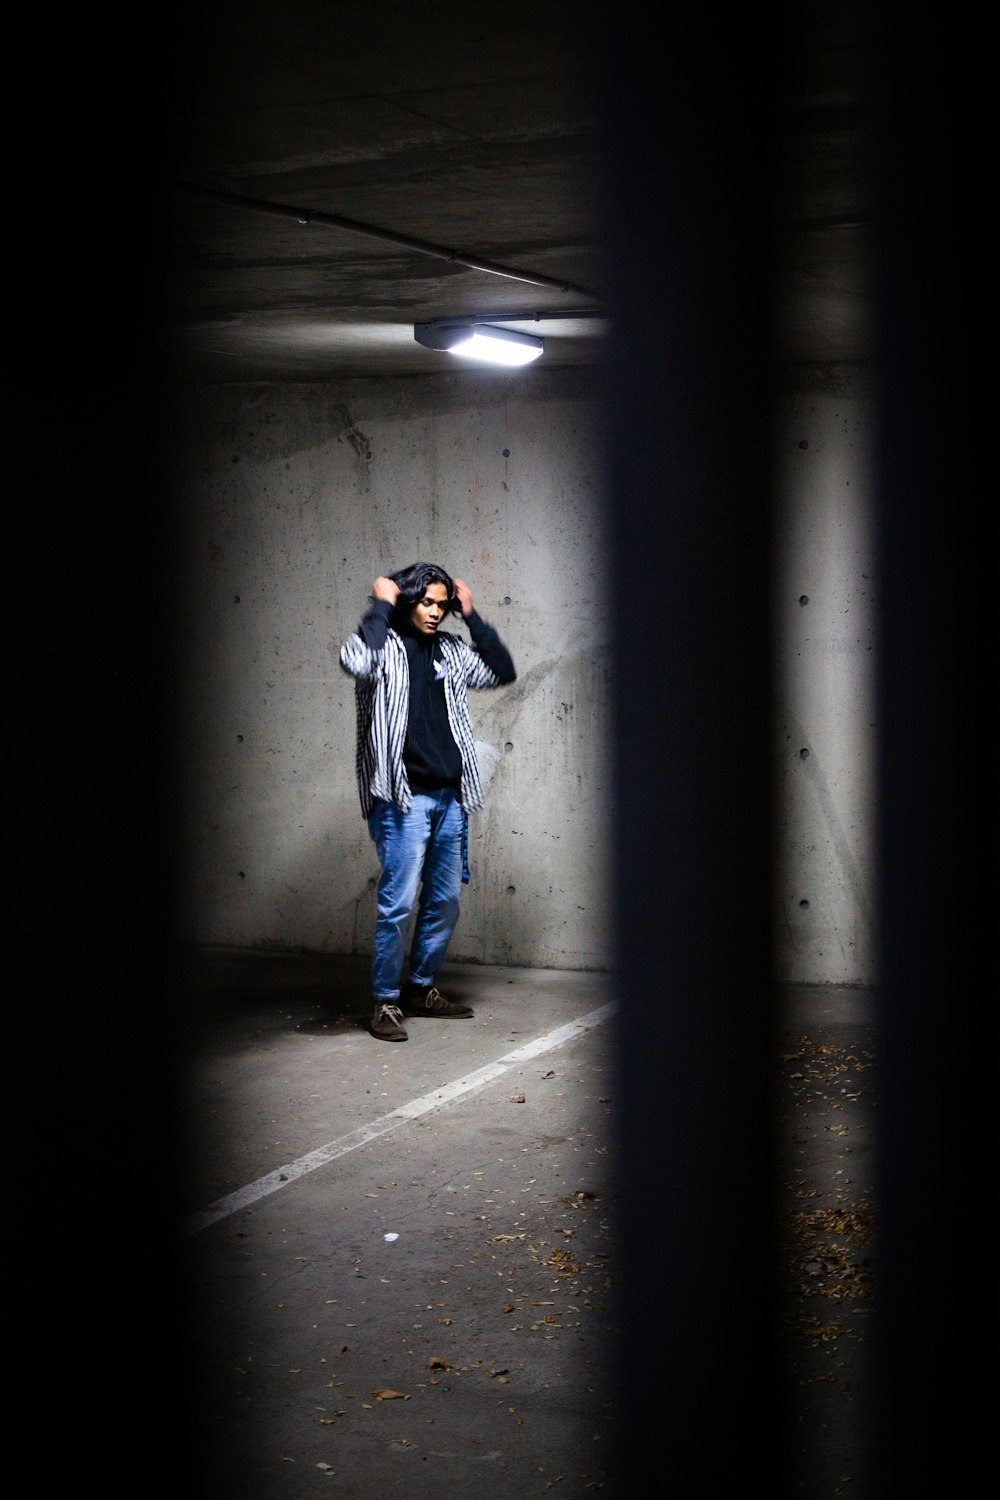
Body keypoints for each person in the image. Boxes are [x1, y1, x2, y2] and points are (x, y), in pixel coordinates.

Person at [340, 562, 516, 1041]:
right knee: (398, 906)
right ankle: (385, 1002)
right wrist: (381, 604)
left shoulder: (452, 651)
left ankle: (419, 988)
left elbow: (502, 670)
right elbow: (354, 660)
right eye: (427, 602)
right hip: (404, 800)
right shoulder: (383, 650)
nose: (437, 612)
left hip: (450, 797)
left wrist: (473, 616)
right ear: (406, 600)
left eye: (444, 604)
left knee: (444, 901)